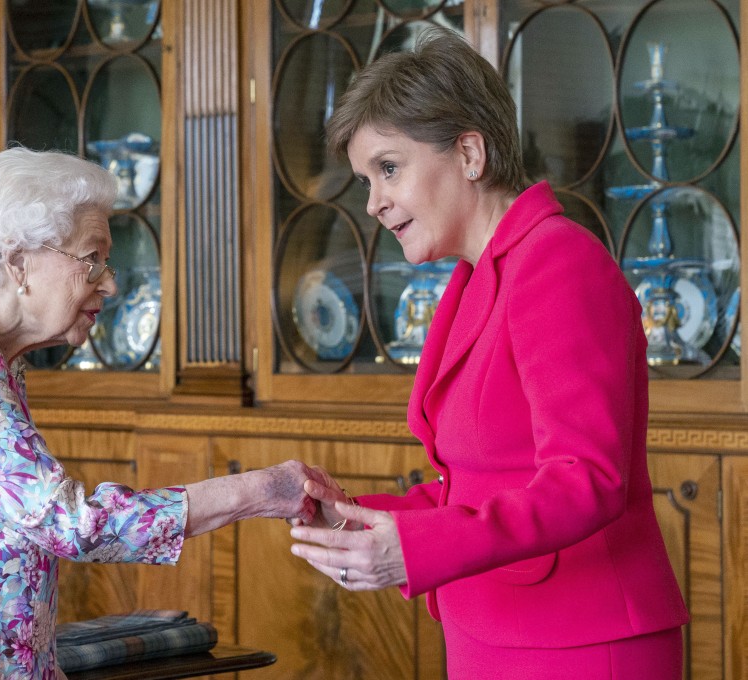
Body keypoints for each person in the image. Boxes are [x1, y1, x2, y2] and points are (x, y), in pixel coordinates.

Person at [288, 27, 689, 679]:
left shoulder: (558, 262)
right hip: (492, 632)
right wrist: (360, 518)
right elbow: (475, 484)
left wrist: (416, 551)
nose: (373, 202)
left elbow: (588, 480)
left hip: (581, 641)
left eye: (389, 168)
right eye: (367, 179)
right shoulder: (478, 275)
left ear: (470, 153)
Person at [0, 146, 323, 679]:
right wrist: (257, 491)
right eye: (92, 260)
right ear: (18, 261)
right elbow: (69, 523)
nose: (109, 282)